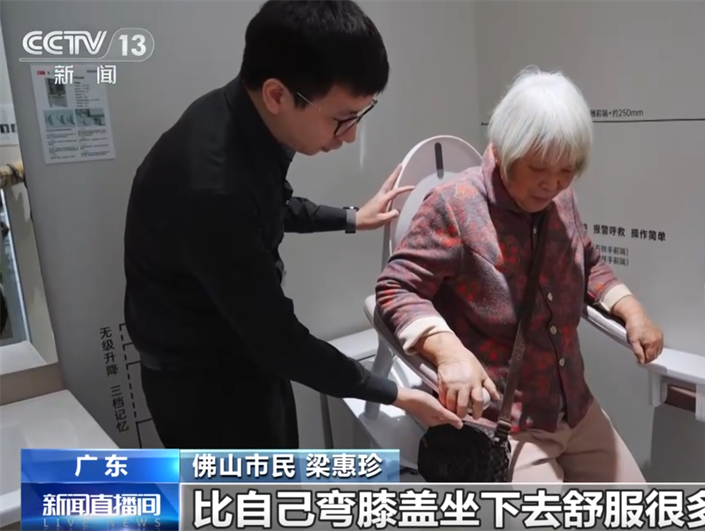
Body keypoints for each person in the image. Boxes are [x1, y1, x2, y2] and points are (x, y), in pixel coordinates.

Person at [123, 0, 461, 450]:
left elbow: (268, 207)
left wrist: (351, 217)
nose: (351, 135)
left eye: (360, 115)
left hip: (247, 350)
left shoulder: (244, 118)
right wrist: (396, 394)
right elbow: (279, 341)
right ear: (277, 95)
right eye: (342, 119)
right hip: (204, 387)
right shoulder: (212, 185)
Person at [374, 66, 665, 482]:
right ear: (506, 149)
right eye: (538, 168)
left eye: (567, 170)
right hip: (504, 422)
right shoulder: (454, 205)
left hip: (574, 407)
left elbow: (587, 261)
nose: (553, 184)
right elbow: (396, 287)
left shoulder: (562, 199)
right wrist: (448, 352)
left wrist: (632, 310)